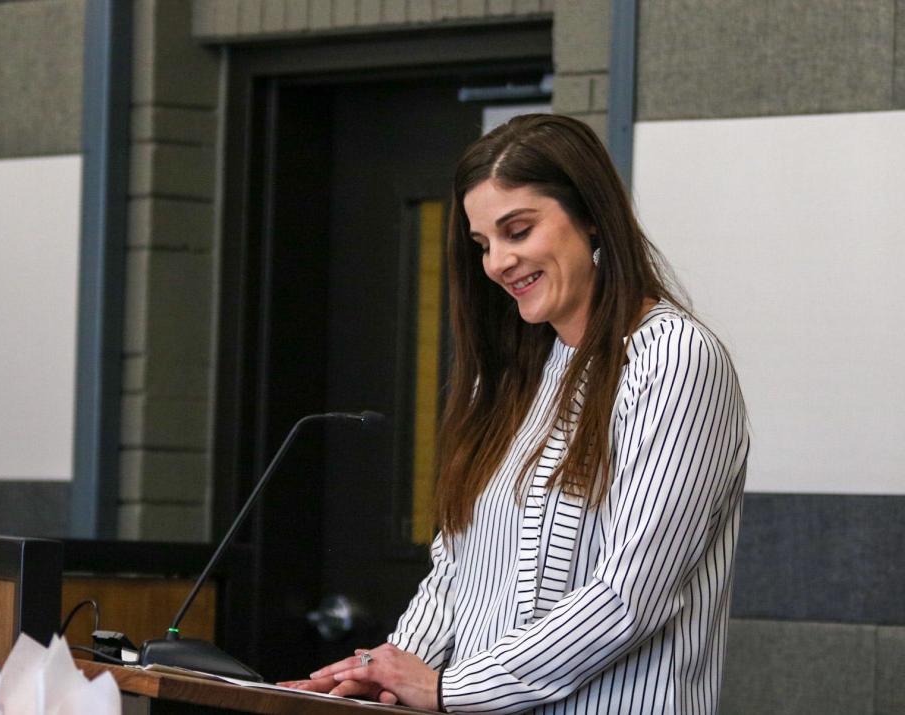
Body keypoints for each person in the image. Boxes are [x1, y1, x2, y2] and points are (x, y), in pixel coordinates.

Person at [280, 114, 749, 714]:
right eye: (483, 245)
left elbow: (630, 595)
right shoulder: (505, 380)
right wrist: (385, 673)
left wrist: (451, 690)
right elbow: (457, 577)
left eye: (518, 231)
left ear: (592, 217)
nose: (499, 262)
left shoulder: (675, 358)